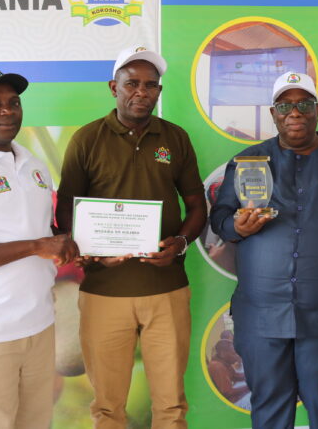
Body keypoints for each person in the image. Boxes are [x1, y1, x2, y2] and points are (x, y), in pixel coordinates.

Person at [211, 71, 318, 429]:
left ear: (317, 110)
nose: (295, 113)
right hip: (262, 314)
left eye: (304, 104)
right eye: (285, 106)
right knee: (270, 406)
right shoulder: (247, 161)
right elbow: (220, 218)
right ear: (273, 114)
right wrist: (237, 228)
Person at [55, 46, 207, 428]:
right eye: (132, 83)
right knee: (107, 408)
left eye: (150, 85)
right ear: (114, 87)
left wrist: (180, 244)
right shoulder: (87, 139)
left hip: (166, 290)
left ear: (159, 91)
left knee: (171, 406)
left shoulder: (175, 138)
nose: (142, 92)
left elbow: (196, 205)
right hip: (103, 293)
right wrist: (88, 251)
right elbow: (65, 211)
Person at [0, 68, 78, 428]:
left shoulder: (32, 164)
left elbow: (45, 231)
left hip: (39, 323)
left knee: (35, 423)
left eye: (13, 103)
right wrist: (37, 246)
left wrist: (78, 245)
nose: (7, 111)